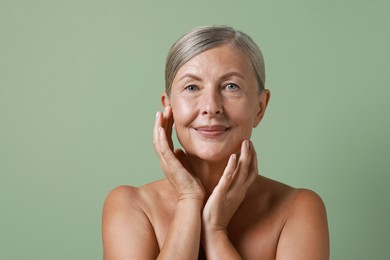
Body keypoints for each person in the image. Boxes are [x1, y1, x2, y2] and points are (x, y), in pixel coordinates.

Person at [102, 25, 329, 259]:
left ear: (260, 108)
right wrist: (189, 200)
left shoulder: (297, 208)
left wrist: (215, 230)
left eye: (231, 86)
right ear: (168, 106)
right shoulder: (130, 205)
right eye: (192, 87)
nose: (211, 107)